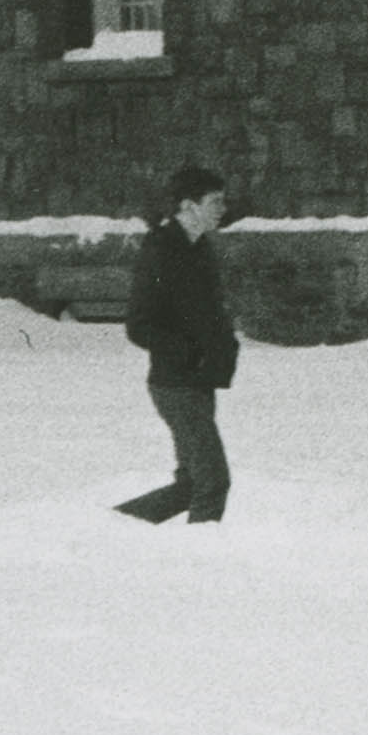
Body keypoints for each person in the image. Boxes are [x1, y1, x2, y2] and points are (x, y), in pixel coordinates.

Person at [115, 165, 239, 523]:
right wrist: (190, 353)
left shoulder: (198, 248)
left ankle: (108, 528)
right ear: (188, 205)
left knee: (191, 486)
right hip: (176, 384)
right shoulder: (162, 251)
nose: (222, 208)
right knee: (213, 481)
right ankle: (200, 560)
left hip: (197, 382)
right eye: (214, 201)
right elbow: (139, 326)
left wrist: (218, 350)